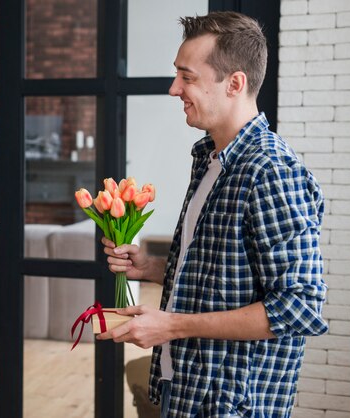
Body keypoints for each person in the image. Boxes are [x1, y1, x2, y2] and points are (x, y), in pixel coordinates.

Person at [98, 11, 328, 417]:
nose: (174, 89)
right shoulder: (210, 158)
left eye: (187, 77)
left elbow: (300, 306)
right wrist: (153, 267)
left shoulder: (271, 171)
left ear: (234, 83)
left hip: (232, 404)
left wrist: (173, 324)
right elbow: (225, 274)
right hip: (184, 385)